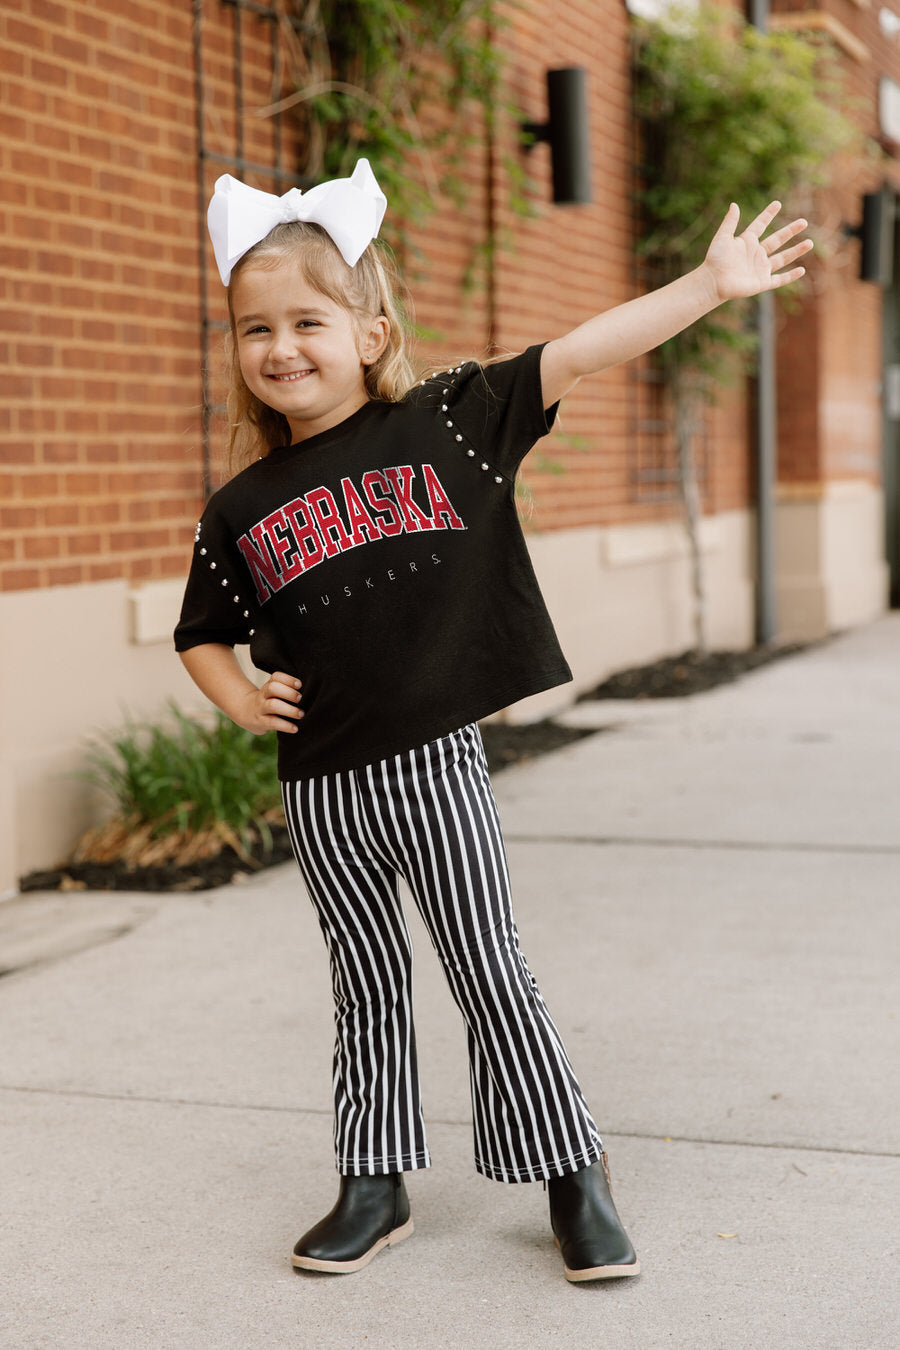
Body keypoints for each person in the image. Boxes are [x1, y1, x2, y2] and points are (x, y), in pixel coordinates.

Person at [174, 159, 811, 1281]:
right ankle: (374, 1181)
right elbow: (201, 633)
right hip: (321, 783)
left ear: (370, 332)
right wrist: (238, 698)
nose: (280, 347)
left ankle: (573, 1172)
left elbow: (581, 348)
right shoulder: (239, 508)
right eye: (253, 327)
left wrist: (708, 286)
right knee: (362, 979)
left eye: (308, 322)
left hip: (433, 766)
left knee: (486, 967)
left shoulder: (449, 422)